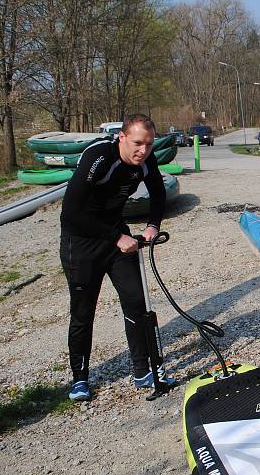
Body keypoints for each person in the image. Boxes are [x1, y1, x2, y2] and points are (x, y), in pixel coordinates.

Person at [60, 113, 176, 401]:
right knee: (83, 312)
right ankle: (80, 378)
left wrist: (152, 225)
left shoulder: (146, 160)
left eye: (149, 145)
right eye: (137, 143)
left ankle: (144, 370)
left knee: (137, 303)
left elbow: (159, 194)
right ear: (122, 137)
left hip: (116, 237)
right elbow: (71, 214)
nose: (143, 151)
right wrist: (116, 237)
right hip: (82, 243)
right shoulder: (99, 158)